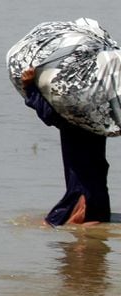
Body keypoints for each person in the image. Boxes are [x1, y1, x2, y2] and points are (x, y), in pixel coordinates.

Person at [21, 66, 110, 226]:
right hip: (97, 185)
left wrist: (30, 87)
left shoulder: (75, 113)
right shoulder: (99, 110)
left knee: (56, 225)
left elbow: (49, 115)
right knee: (95, 224)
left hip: (82, 187)